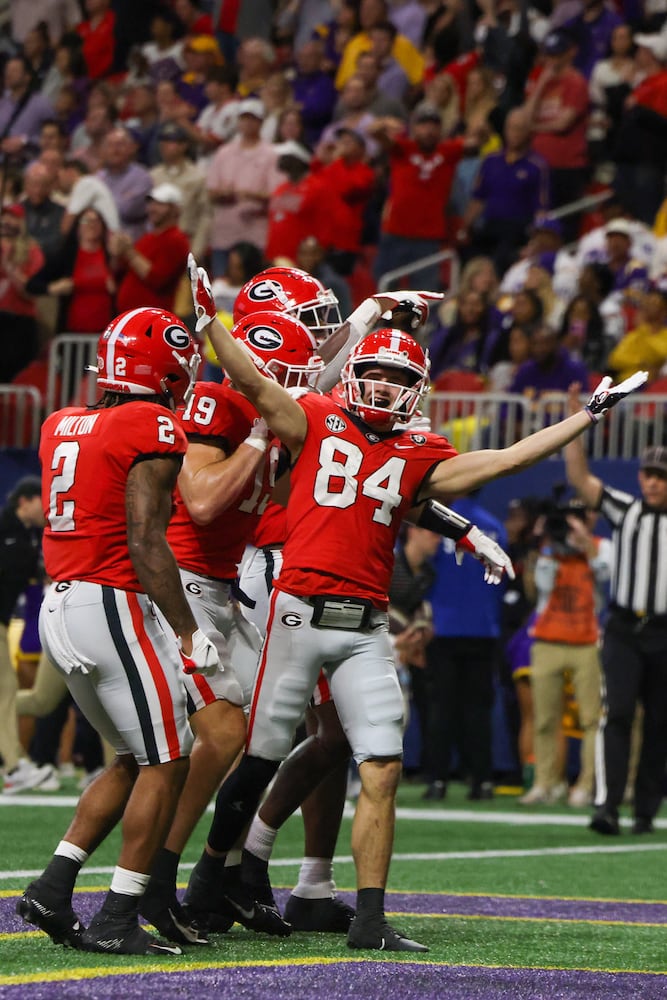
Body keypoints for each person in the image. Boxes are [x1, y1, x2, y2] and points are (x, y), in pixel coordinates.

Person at [184, 252, 646, 952]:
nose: (379, 384)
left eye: (397, 377)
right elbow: (255, 378)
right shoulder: (313, 415)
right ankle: (207, 881)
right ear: (352, 376)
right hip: (293, 608)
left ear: (416, 389)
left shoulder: (418, 450)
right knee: (260, 754)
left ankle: (364, 916)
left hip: (364, 624)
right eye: (370, 371)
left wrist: (585, 415)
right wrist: (212, 323)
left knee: (380, 763)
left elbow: (507, 460)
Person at [16, 306, 220, 956]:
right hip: (110, 604)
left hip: (59, 604)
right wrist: (188, 629)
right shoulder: (150, 421)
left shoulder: (60, 422)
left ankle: (53, 886)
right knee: (171, 759)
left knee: (135, 758)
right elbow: (145, 539)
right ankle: (118, 914)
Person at [565, 419, 667, 836]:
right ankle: (607, 807)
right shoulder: (626, 509)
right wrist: (575, 424)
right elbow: (580, 478)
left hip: (665, 633)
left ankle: (645, 810)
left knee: (661, 723)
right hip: (626, 628)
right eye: (649, 474)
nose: (654, 483)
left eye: (661, 476)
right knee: (618, 713)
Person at [519, 501, 608, 807]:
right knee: (544, 719)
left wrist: (585, 545)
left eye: (577, 520)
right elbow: (540, 587)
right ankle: (546, 783)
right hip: (547, 640)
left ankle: (586, 785)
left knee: (591, 720)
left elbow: (606, 574)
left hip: (587, 642)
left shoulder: (600, 546)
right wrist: (546, 544)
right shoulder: (549, 549)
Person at [422, 496, 507, 802]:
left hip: (442, 626)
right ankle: (482, 780)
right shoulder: (494, 526)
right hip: (483, 628)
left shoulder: (438, 520)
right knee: (478, 710)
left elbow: (422, 565)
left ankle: (438, 781)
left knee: (441, 709)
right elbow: (502, 578)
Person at [0, 477, 57, 795]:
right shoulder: (4, 526)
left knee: (6, 692)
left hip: (4, 621)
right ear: (25, 501)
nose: (46, 507)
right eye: (41, 500)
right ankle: (12, 768)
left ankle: (14, 766)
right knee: (6, 690)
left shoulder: (29, 534)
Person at [110, 182, 190, 314]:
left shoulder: (177, 239)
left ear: (175, 209)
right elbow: (120, 271)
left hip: (152, 318)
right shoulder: (148, 237)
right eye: (151, 203)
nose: (152, 208)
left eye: (160, 204)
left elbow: (157, 279)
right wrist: (117, 252)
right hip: (132, 316)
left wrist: (128, 251)